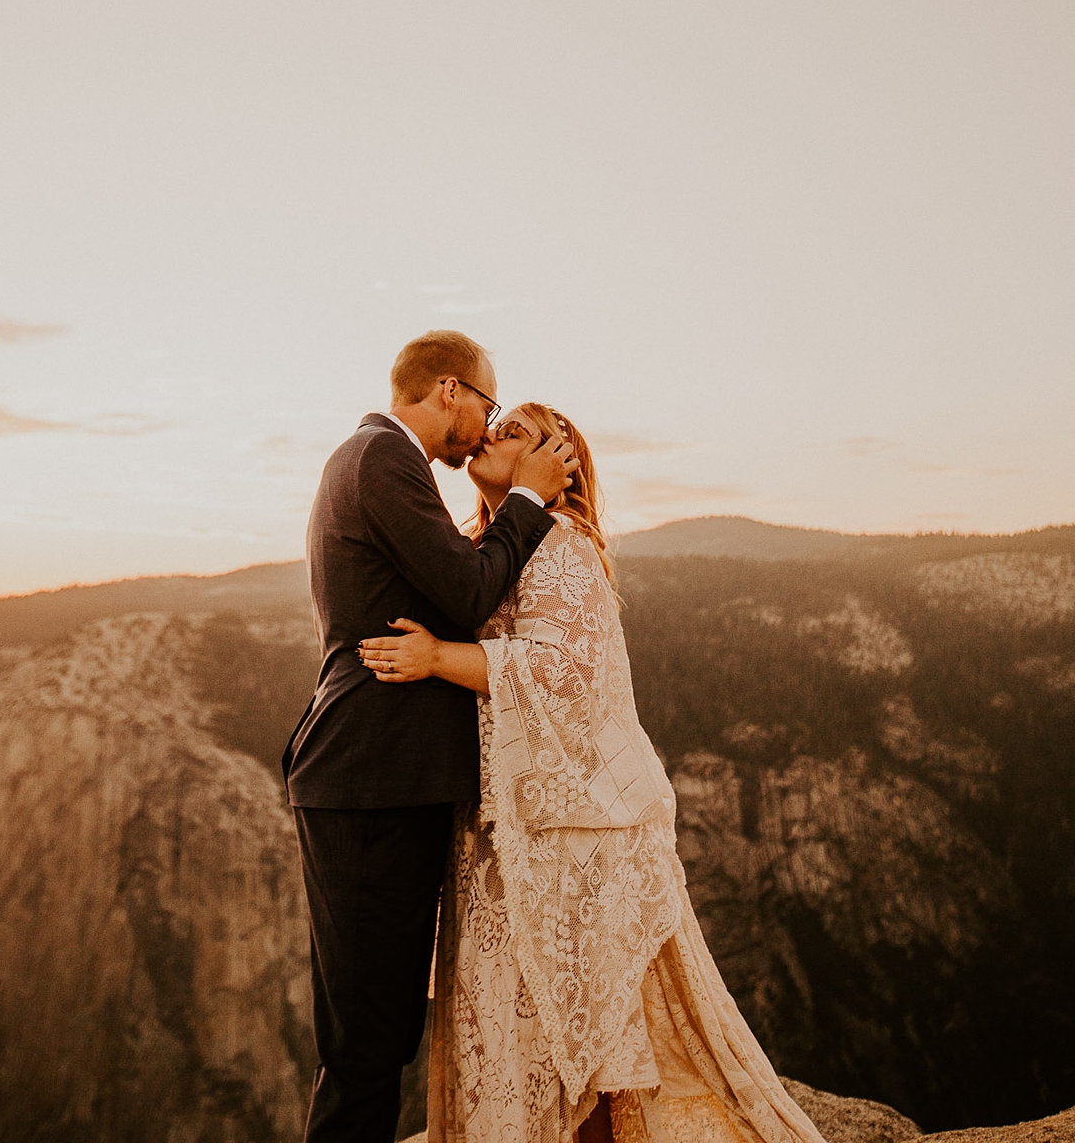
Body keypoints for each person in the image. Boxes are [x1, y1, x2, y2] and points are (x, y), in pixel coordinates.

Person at [359, 405, 829, 1143]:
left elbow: (565, 673)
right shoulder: (479, 550)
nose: (489, 434)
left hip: (575, 843)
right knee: (518, 1041)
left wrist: (437, 659)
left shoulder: (562, 545)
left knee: (582, 1053)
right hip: (506, 836)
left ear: (556, 462)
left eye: (512, 431)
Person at [283, 333, 577, 1143]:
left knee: (375, 1038)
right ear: (450, 390)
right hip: (369, 782)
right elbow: (470, 589)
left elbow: (446, 596)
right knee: (365, 1047)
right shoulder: (381, 459)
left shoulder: (375, 461)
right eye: (486, 405)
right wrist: (528, 499)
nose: (485, 428)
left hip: (378, 783)